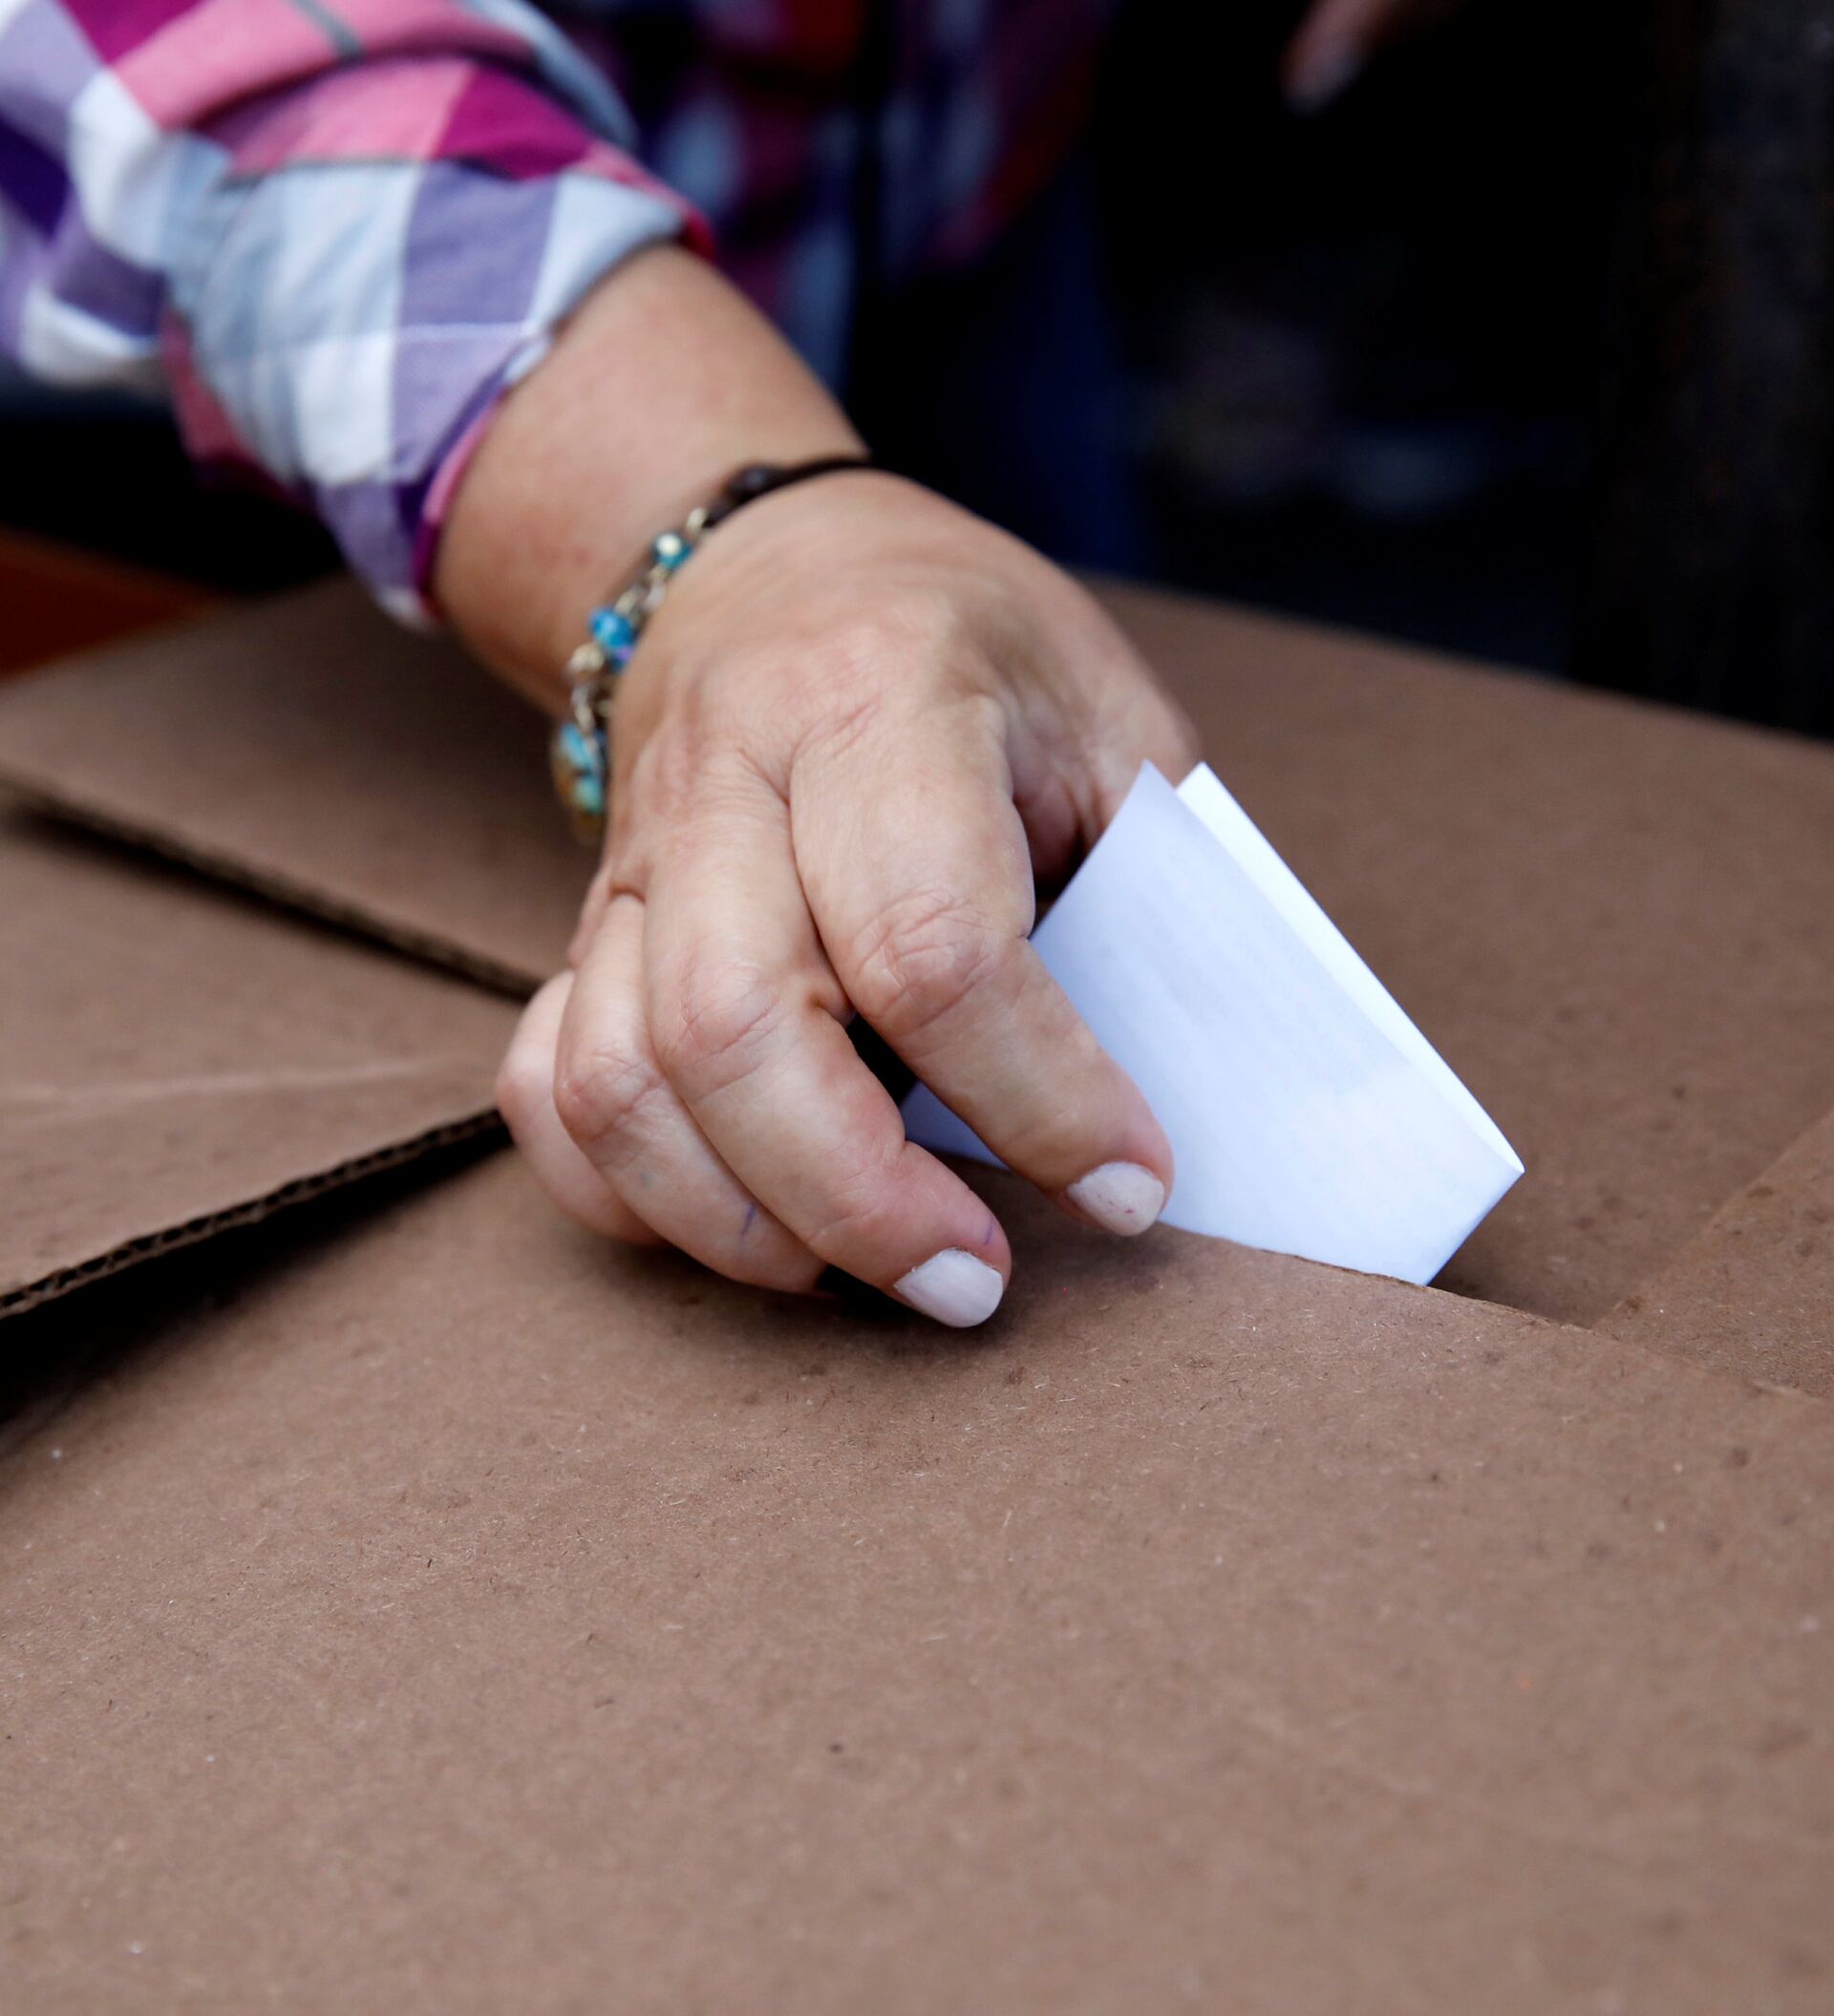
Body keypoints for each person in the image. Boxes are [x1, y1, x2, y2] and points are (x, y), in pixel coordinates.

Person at [0, 0, 1448, 1326]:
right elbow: (209, 67)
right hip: (335, 327)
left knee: (1037, 801)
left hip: (962, 170)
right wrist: (746, 560)